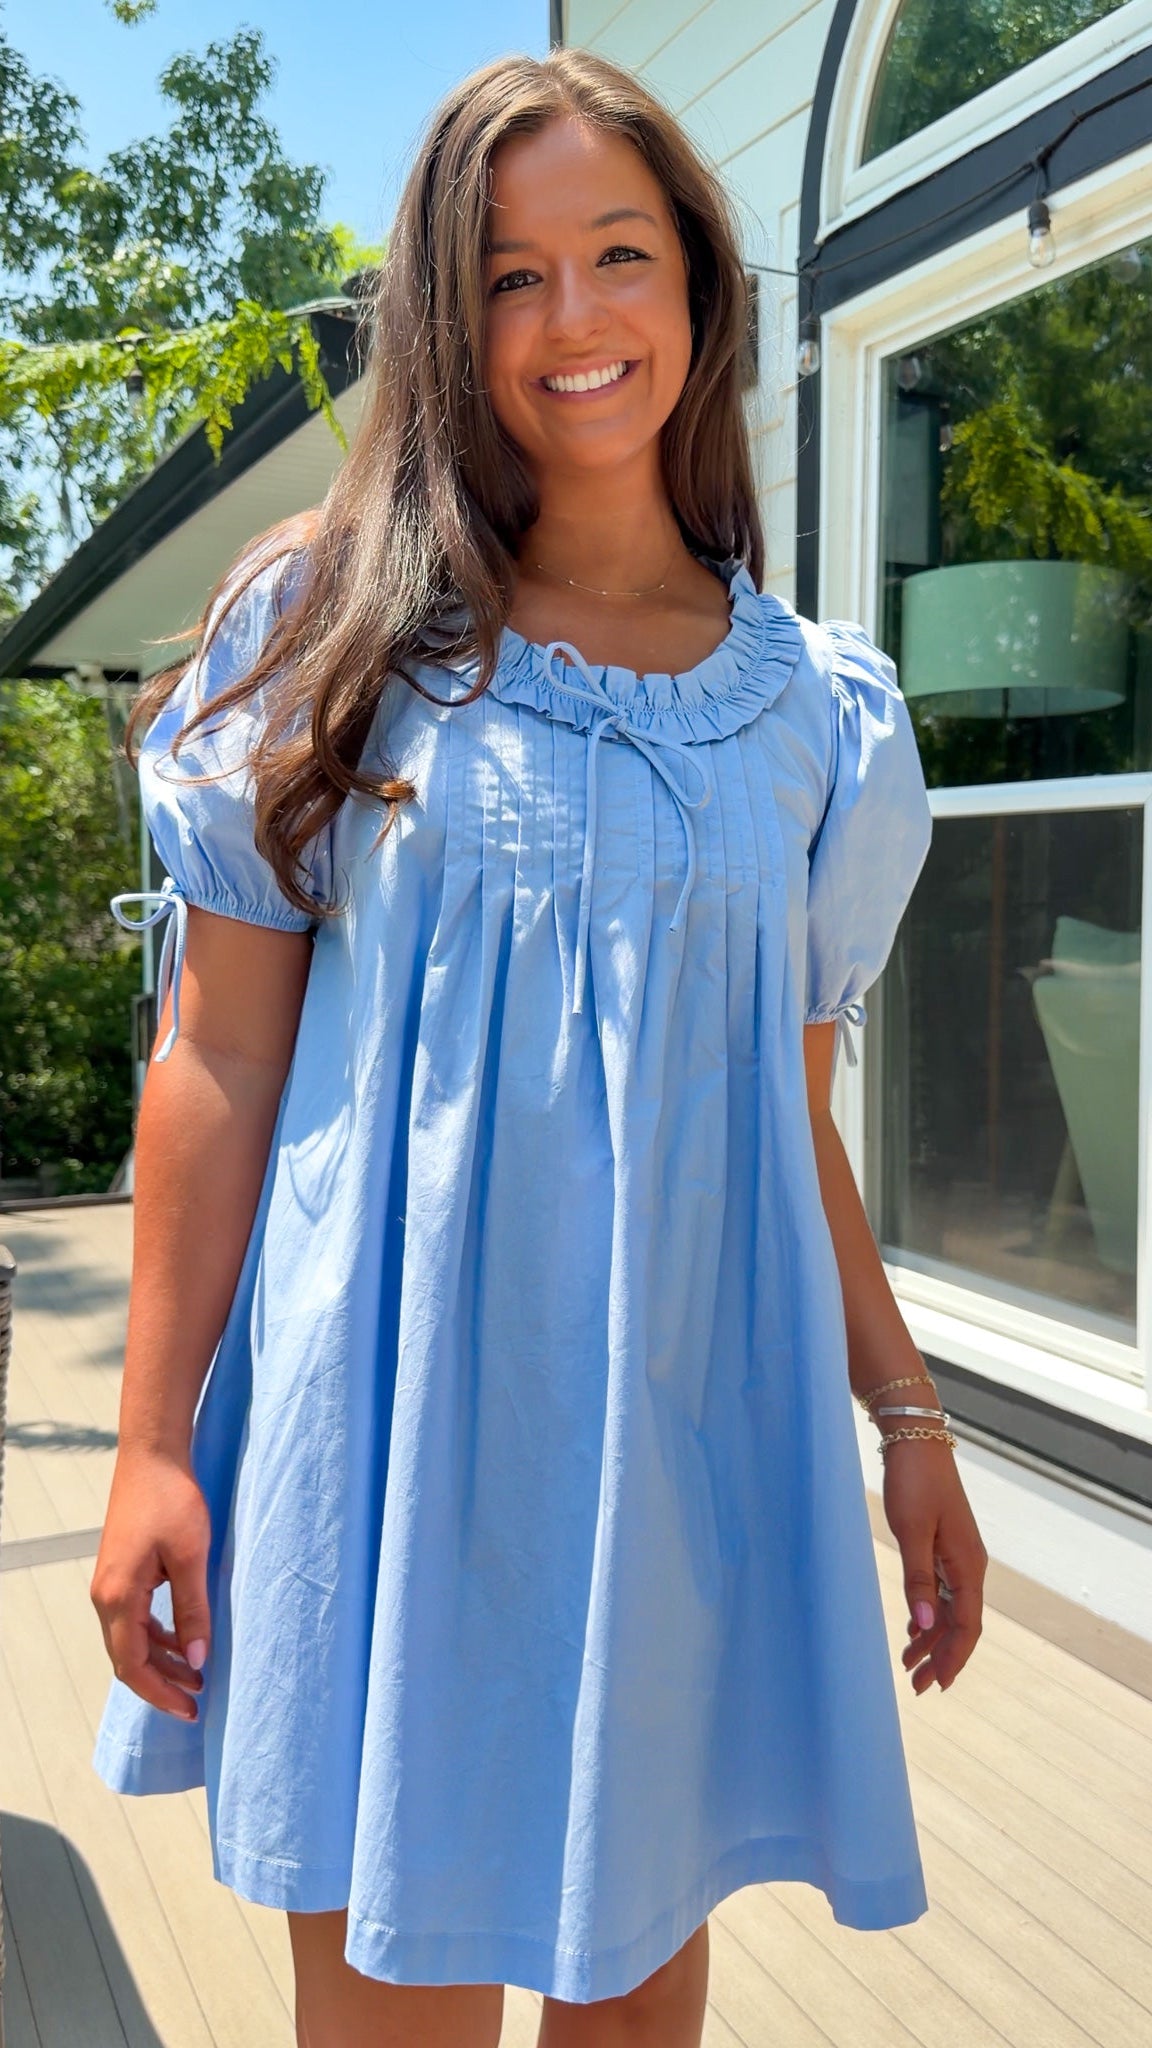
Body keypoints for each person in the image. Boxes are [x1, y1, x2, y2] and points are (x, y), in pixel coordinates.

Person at [90, 44, 987, 2048]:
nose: (574, 319)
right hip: (390, 1464)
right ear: (443, 310)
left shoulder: (819, 720)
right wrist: (152, 1444)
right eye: (509, 276)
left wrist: (908, 1418)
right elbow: (215, 1069)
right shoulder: (325, 639)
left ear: (699, 289)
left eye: (618, 254)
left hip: (668, 1465)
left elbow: (789, 1119)